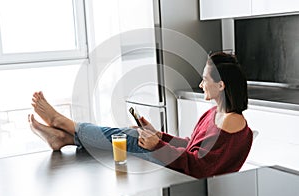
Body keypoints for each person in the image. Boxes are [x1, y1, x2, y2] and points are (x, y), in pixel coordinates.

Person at [28, 52, 253, 179]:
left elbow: (200, 168)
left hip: (189, 178)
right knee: (135, 133)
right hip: (183, 165)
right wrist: (158, 135)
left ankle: (65, 125)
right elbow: (190, 146)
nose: (201, 84)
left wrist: (156, 145)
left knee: (131, 138)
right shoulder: (214, 113)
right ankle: (66, 137)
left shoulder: (231, 124)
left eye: (205, 79)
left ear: (221, 85)